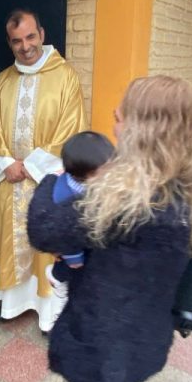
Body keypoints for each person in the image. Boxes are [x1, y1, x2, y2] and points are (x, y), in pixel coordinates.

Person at [26, 75, 192, 382]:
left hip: (98, 347)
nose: (114, 116)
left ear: (145, 130)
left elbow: (43, 227)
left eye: (123, 113)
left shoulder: (126, 200)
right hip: (138, 340)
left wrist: (47, 180)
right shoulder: (178, 191)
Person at [0, 8, 87, 332]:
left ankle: (47, 314)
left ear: (42, 33)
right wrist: (8, 163)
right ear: (9, 44)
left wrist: (31, 166)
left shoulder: (65, 76)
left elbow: (71, 130)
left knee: (45, 244)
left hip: (45, 180)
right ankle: (10, 306)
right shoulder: (3, 80)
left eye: (30, 37)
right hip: (9, 180)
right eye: (16, 41)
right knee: (11, 241)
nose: (25, 47)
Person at [45, 131, 114, 319]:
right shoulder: (63, 194)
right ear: (86, 172)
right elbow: (65, 232)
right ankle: (57, 281)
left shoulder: (92, 184)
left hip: (89, 243)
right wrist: (74, 257)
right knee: (67, 271)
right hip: (71, 250)